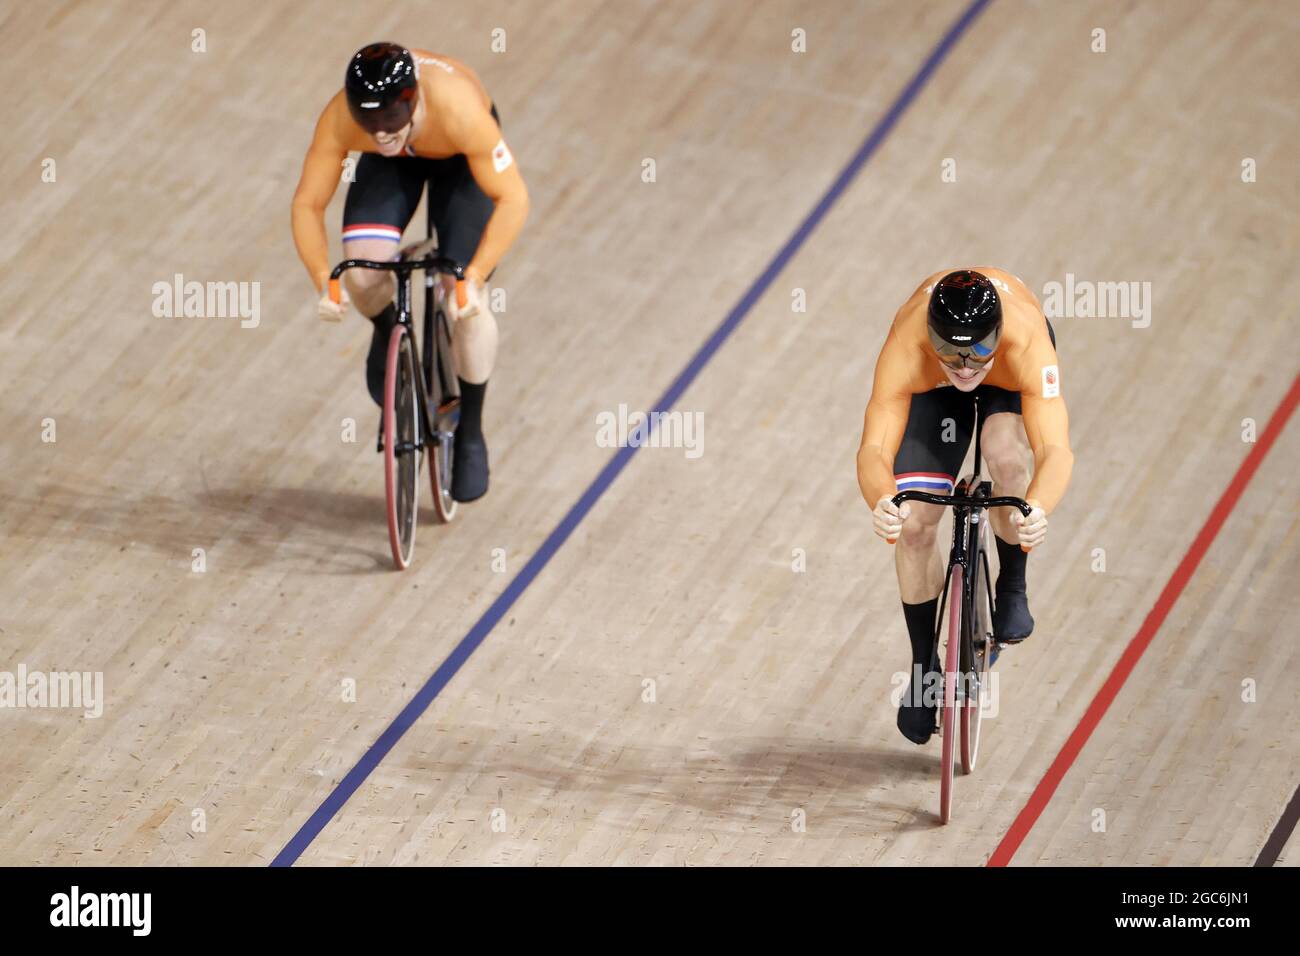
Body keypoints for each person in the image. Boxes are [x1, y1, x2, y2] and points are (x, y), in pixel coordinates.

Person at [291, 42, 529, 502]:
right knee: (361, 272)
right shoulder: (344, 118)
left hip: (459, 163)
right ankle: (387, 328)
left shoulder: (459, 109)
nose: (380, 134)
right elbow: (308, 202)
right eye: (369, 123)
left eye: (390, 122)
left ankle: (472, 433)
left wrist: (473, 277)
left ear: (413, 100)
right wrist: (325, 278)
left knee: (462, 302)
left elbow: (513, 198)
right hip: (393, 170)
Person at [856, 269, 1073, 744]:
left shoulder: (1025, 344)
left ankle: (1012, 584)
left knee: (1006, 454)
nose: (966, 365)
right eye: (952, 350)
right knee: (912, 524)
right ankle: (922, 668)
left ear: (996, 335)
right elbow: (874, 450)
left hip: (1009, 378)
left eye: (977, 349)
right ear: (930, 337)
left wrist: (1037, 508)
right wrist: (882, 499)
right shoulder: (908, 344)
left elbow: (1056, 451)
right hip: (930, 389)